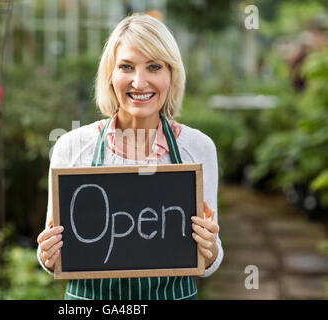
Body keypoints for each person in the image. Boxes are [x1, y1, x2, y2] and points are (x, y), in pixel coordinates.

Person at [37, 13, 223, 300]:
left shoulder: (197, 148)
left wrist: (209, 249)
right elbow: (54, 252)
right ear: (110, 76)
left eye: (154, 67)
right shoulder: (71, 147)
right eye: (126, 66)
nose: (139, 82)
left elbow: (209, 258)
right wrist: (48, 255)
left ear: (171, 75)